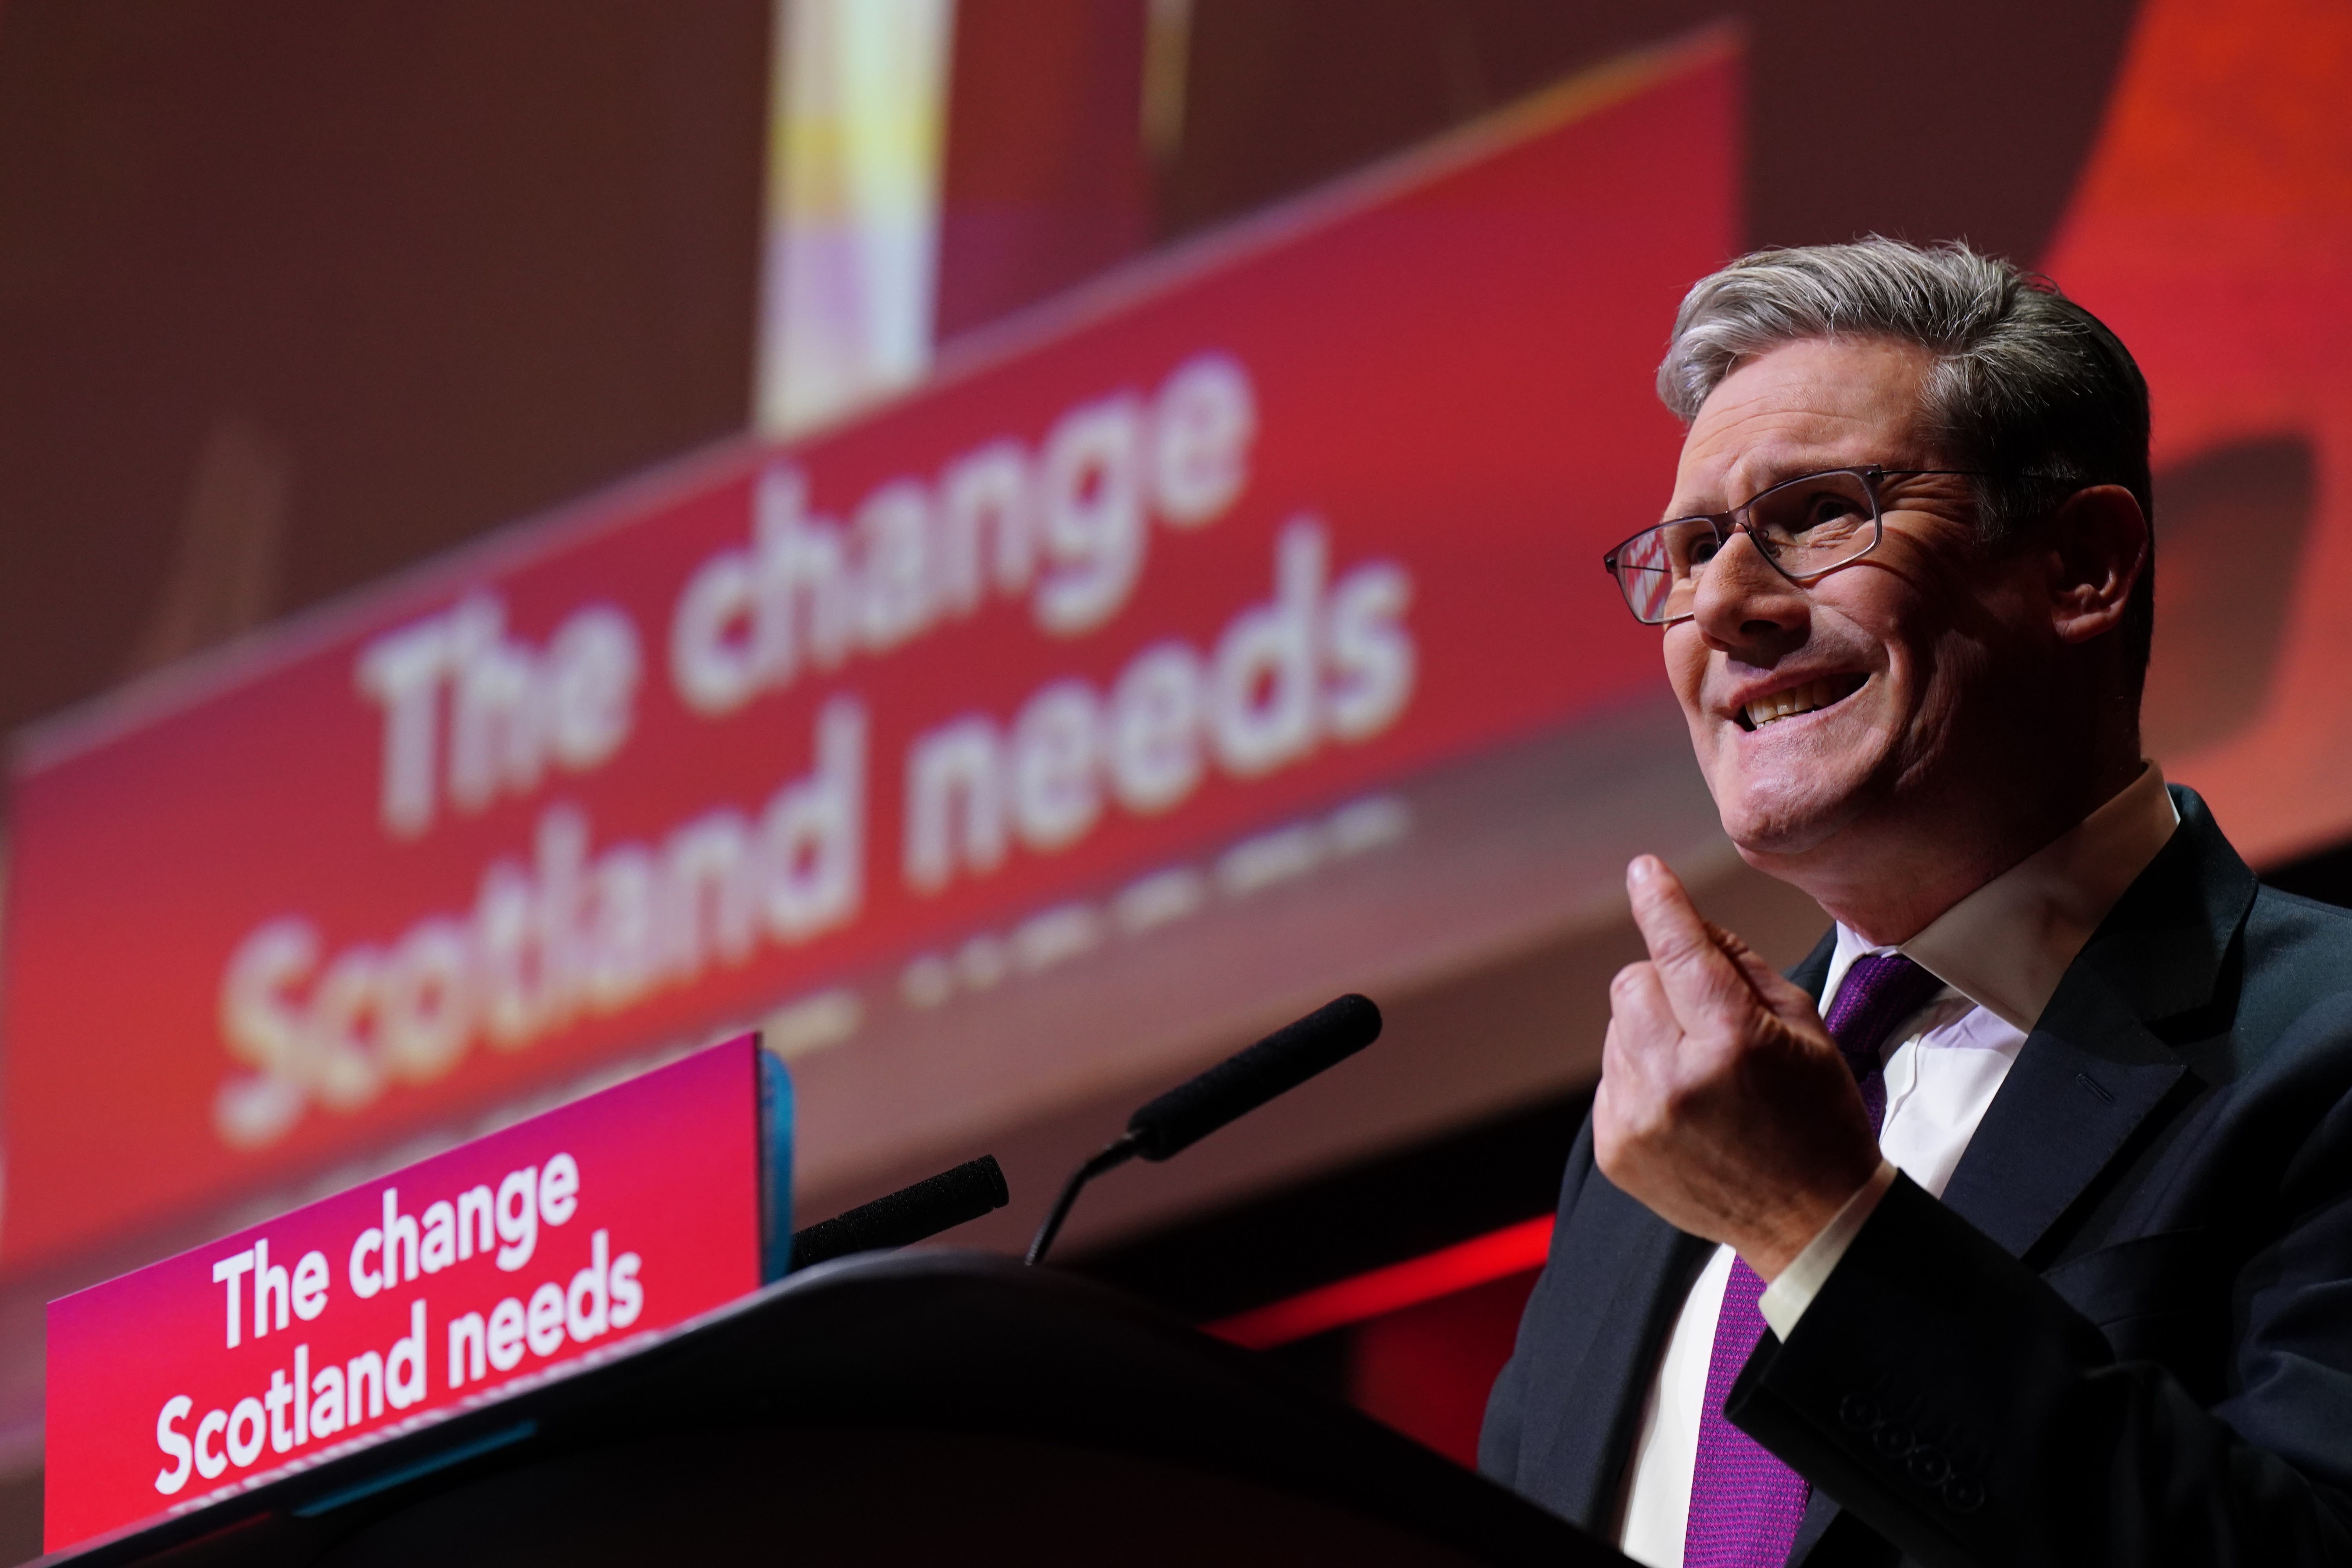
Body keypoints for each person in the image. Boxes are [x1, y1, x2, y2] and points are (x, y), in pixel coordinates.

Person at [1480, 238, 2352, 1568]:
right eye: (1694, 546)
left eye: (1817, 513)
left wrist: (1816, 1225)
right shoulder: (1650, 1169)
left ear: (2083, 567)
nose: (1720, 603)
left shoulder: (2323, 1045)